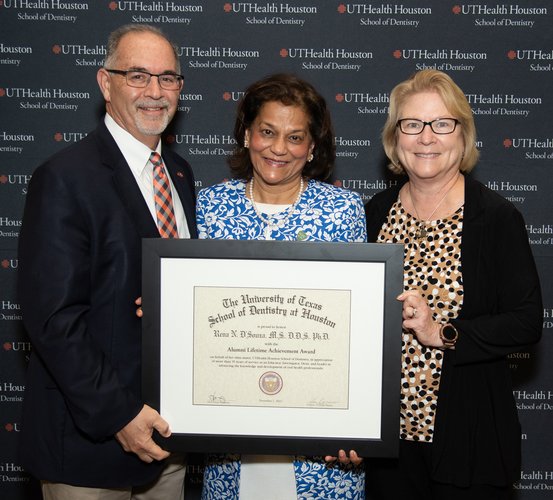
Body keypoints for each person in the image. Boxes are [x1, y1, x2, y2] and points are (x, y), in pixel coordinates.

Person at [18, 24, 197, 499]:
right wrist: (120, 414)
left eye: (168, 78)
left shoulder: (179, 174)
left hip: (168, 440)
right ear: (105, 83)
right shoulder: (63, 178)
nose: (155, 92)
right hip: (88, 447)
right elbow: (53, 320)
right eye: (137, 75)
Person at [364, 69, 542, 499]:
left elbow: (525, 322)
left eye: (442, 124)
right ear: (395, 138)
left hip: (469, 439)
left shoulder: (496, 218)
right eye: (412, 124)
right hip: (386, 440)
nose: (426, 137)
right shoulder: (374, 213)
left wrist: (441, 332)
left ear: (463, 136)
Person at [196, 73, 366, 499]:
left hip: (321, 443)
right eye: (267, 132)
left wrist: (360, 423)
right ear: (247, 133)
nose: (278, 148)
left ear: (312, 148)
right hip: (230, 435)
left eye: (295, 137)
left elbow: (358, 328)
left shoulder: (342, 210)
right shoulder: (210, 207)